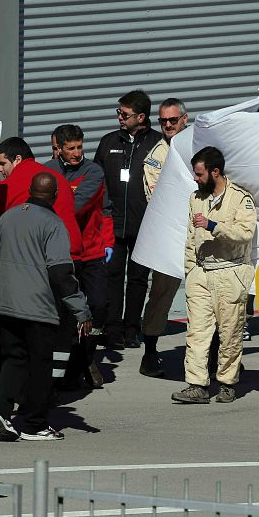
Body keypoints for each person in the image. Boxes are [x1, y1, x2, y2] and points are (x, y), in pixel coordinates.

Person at [0, 173, 92, 441]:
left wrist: (5, 285)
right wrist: (81, 310)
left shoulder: (8, 217)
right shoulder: (53, 223)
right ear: (55, 194)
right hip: (39, 306)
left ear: (30, 191)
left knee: (13, 358)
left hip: (8, 303)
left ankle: (1, 409)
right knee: (41, 365)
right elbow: (60, 273)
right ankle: (34, 424)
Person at [0, 137, 82, 381]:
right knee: (60, 329)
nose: (0, 170)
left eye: (3, 163)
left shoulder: (11, 184)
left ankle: (24, 384)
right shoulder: (54, 177)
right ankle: (56, 383)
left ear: (17, 159)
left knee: (26, 330)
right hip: (70, 258)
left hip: (35, 267)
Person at [172, 147, 256, 404]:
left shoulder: (241, 199)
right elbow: (189, 240)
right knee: (196, 332)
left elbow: (245, 234)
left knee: (230, 332)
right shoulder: (195, 198)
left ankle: (227, 382)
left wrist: (213, 226)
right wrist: (191, 272)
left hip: (231, 272)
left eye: (199, 174)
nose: (195, 179)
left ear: (215, 172)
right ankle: (196, 384)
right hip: (200, 273)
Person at [45, 124, 113, 388]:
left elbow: (78, 205)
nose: (76, 153)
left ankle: (87, 358)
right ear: (58, 149)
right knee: (66, 313)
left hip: (92, 251)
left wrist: (107, 242)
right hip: (63, 252)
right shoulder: (48, 170)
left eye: (79, 147)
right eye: (70, 148)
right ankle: (72, 366)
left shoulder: (93, 171)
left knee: (97, 305)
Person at [94, 89, 162, 349]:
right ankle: (111, 329)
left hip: (144, 225)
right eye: (118, 112)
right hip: (113, 222)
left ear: (141, 117)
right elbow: (97, 181)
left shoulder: (158, 143)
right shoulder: (109, 141)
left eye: (125, 114)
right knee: (112, 276)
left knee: (137, 279)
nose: (120, 117)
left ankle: (131, 328)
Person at [139, 98, 188, 377]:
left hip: (202, 233)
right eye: (162, 121)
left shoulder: (200, 144)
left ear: (184, 118)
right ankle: (150, 351)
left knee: (209, 297)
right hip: (169, 234)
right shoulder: (156, 155)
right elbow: (157, 195)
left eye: (172, 120)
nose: (168, 125)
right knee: (160, 295)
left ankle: (217, 353)